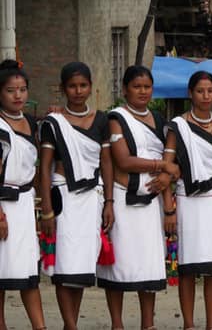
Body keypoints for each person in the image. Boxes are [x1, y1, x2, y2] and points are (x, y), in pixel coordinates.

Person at [99, 65, 176, 330]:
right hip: (122, 200)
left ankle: (148, 324)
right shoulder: (116, 118)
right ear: (125, 89)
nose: (142, 91)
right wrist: (161, 166)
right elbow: (123, 160)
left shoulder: (158, 119)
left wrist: (168, 204)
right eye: (136, 86)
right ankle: (117, 324)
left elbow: (170, 161)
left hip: (151, 204)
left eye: (147, 86)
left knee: (150, 265)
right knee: (118, 265)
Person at [37, 62, 112, 330]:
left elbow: (106, 163)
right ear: (63, 88)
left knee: (80, 269)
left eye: (83, 85)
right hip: (64, 199)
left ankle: (72, 323)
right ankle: (71, 325)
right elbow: (44, 167)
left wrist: (110, 203)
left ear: (91, 87)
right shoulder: (53, 123)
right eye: (72, 85)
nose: (78, 91)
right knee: (63, 267)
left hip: (91, 198)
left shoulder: (102, 120)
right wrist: (46, 210)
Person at [161, 71, 212, 330]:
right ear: (190, 93)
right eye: (200, 91)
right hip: (188, 202)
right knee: (188, 268)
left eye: (210, 91)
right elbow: (166, 168)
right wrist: (169, 208)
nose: (205, 96)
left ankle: (211, 325)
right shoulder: (177, 126)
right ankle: (188, 325)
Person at [0, 60, 46, 330]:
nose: (18, 95)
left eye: (22, 89)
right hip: (4, 204)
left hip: (25, 204)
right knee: (2, 271)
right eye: (10, 90)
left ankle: (40, 326)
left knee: (28, 271)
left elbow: (35, 168)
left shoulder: (30, 122)